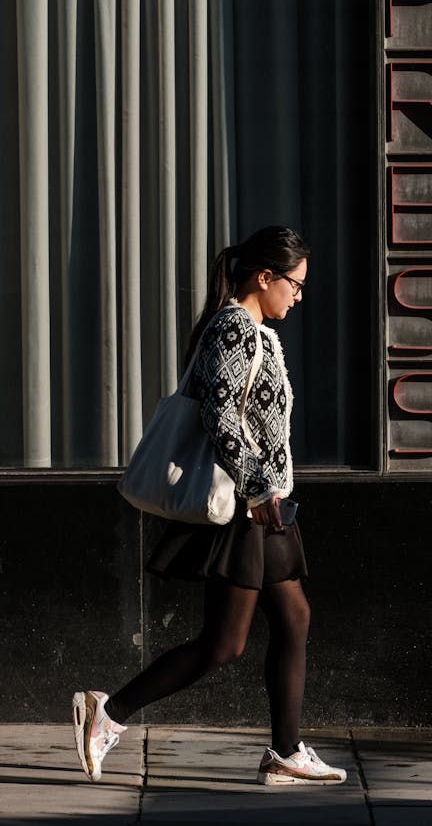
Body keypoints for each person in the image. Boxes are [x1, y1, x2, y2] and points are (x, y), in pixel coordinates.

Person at [72, 226, 346, 787]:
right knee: (225, 644)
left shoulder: (258, 332)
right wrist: (260, 488)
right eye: (294, 284)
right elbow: (221, 418)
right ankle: (110, 713)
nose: (299, 295)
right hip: (247, 505)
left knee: (293, 618)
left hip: (263, 503)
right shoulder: (233, 328)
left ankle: (286, 751)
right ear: (263, 277)